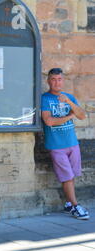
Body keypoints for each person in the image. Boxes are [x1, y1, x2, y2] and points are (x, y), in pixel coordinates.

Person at [41, 67, 89, 220]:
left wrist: (68, 102)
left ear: (63, 81)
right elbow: (49, 121)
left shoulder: (69, 97)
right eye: (53, 79)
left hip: (72, 143)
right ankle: (76, 206)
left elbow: (82, 115)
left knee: (72, 175)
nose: (56, 82)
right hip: (56, 145)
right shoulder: (45, 98)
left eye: (59, 79)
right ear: (48, 81)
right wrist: (69, 116)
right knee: (67, 176)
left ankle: (69, 204)